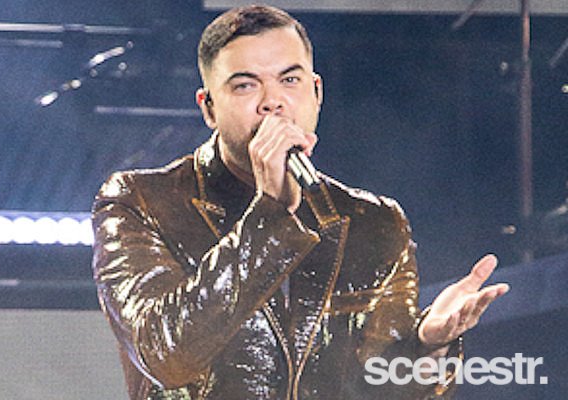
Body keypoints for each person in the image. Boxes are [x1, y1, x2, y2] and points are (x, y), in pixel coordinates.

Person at [91, 5, 509, 399]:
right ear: (209, 108)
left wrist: (428, 347)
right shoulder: (141, 202)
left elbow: (382, 388)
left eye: (289, 81)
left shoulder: (375, 221)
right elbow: (164, 355)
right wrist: (271, 211)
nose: (272, 102)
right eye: (245, 85)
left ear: (316, 92)